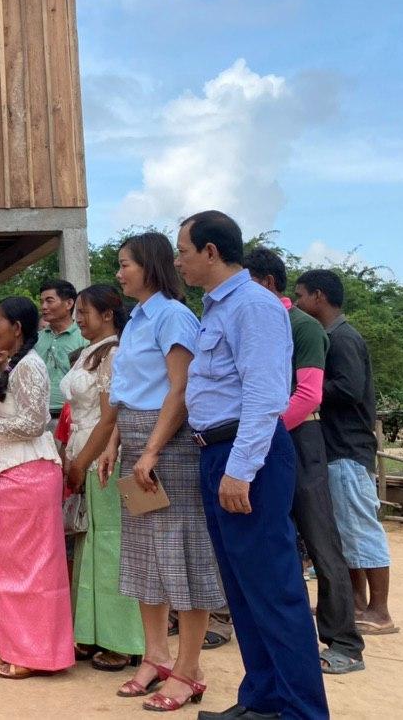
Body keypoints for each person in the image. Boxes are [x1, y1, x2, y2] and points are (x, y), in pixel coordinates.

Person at [176, 211, 327, 719]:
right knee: (243, 591)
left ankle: (301, 711)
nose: (179, 261)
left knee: (275, 591)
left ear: (211, 251)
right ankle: (262, 701)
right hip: (216, 452)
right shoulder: (216, 309)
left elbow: (264, 396)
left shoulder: (254, 307)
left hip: (248, 455)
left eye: (184, 251)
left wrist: (241, 469)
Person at [73, 232, 222, 706]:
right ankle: (155, 657)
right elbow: (125, 394)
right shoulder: (137, 319)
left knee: (184, 556)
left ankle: (189, 668)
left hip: (171, 449)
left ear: (150, 266)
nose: (118, 274)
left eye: (125, 264)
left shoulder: (174, 316)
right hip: (137, 442)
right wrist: (114, 444)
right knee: (142, 557)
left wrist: (153, 450)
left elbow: (180, 390)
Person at [247, 250, 365, 674]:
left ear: (267, 283)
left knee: (320, 539)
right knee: (275, 542)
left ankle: (345, 643)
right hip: (262, 440)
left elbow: (310, 395)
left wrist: (264, 432)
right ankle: (289, 639)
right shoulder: (255, 325)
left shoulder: (303, 326)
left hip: (298, 438)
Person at [0, 296, 73, 678]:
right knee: (11, 565)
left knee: (32, 569)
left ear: (17, 328)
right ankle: (13, 645)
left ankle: (34, 653)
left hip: (30, 471)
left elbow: (34, 423)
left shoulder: (31, 367)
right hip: (12, 472)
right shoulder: (12, 364)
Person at [296, 267, 397, 637]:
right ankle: (353, 602)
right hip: (335, 448)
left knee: (361, 529)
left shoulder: (342, 339)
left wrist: (305, 386)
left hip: (349, 448)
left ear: (319, 297)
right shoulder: (329, 336)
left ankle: (380, 610)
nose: (300, 303)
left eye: (302, 295)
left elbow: (350, 388)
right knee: (344, 531)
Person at [61, 285, 145, 671]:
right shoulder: (90, 354)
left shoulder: (114, 353)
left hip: (104, 457)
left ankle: (123, 638)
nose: (78, 318)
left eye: (84, 312)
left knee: (113, 545)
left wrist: (83, 460)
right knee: (91, 545)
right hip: (84, 450)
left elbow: (109, 417)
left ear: (108, 314)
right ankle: (92, 631)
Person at [36, 280, 90, 421]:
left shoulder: (84, 337)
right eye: (42, 302)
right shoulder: (36, 339)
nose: (44, 307)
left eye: (49, 301)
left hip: (72, 417)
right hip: (39, 417)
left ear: (69, 304)